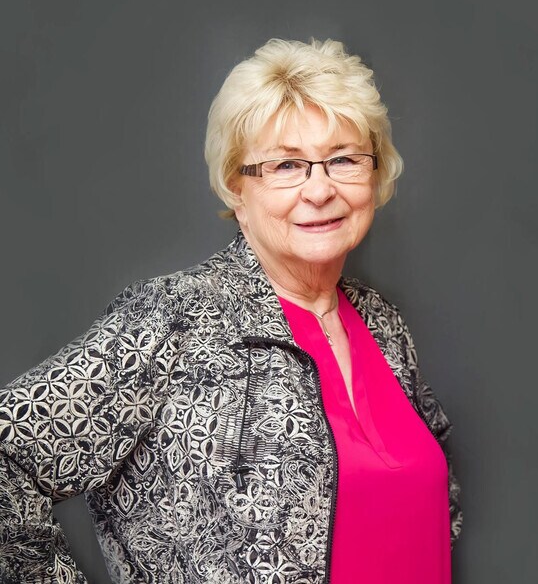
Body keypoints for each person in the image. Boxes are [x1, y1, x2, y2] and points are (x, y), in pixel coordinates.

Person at [0, 38, 462, 584]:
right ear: (236, 189)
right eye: (285, 165)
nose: (320, 189)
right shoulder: (176, 318)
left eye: (343, 159)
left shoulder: (382, 323)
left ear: (375, 173)